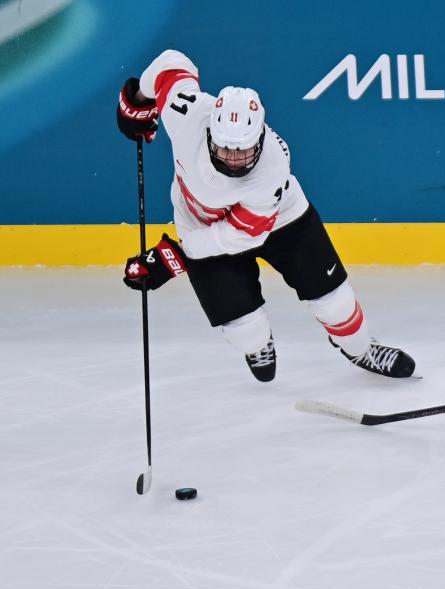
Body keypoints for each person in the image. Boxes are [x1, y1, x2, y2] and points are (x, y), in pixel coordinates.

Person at [116, 49, 415, 382]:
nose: (233, 159)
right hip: (202, 226)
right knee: (246, 332)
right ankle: (257, 343)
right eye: (225, 148)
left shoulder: (272, 168)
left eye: (243, 150)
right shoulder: (186, 113)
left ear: (260, 137)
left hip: (282, 220)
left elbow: (241, 236)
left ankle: (360, 349)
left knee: (336, 303)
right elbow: (171, 62)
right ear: (209, 131)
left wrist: (177, 255)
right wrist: (138, 100)